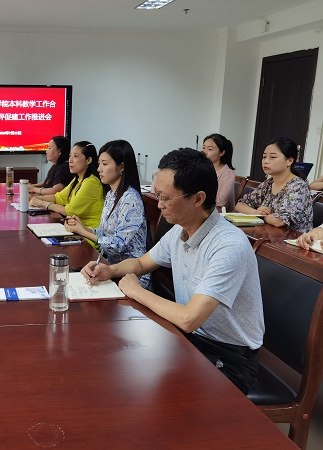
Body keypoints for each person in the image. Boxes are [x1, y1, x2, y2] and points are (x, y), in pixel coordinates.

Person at [82, 148, 264, 394]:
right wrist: (110, 270)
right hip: (190, 339)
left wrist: (136, 291)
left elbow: (189, 319)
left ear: (198, 199)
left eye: (166, 198)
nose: (159, 205)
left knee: (144, 392)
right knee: (114, 366)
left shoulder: (228, 245)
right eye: (158, 195)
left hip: (227, 356)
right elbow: (140, 264)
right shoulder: (180, 230)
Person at [64, 140, 150, 288]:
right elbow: (104, 232)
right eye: (99, 164)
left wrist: (83, 232)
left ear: (121, 166)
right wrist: (82, 227)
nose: (99, 169)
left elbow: (118, 244)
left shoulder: (130, 199)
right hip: (110, 268)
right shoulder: (111, 194)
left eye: (104, 164)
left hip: (132, 276)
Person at [235, 137, 312, 233]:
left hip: (293, 240)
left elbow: (279, 221)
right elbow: (239, 205)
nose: (266, 161)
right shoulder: (268, 183)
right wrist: (255, 212)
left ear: (290, 161)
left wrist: (261, 216)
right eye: (264, 157)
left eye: (273, 157)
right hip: (269, 235)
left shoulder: (298, 187)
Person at [29, 141, 104, 229]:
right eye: (70, 156)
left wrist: (41, 203)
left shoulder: (91, 182)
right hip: (76, 226)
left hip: (90, 230)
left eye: (75, 156)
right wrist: (36, 199)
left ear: (88, 160)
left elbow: (69, 211)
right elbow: (59, 197)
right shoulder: (78, 179)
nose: (70, 160)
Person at [202, 133, 236, 212]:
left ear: (221, 153)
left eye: (210, 149)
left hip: (219, 214)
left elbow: (221, 202)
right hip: (203, 210)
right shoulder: (203, 169)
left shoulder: (228, 173)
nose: (204, 152)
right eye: (203, 148)